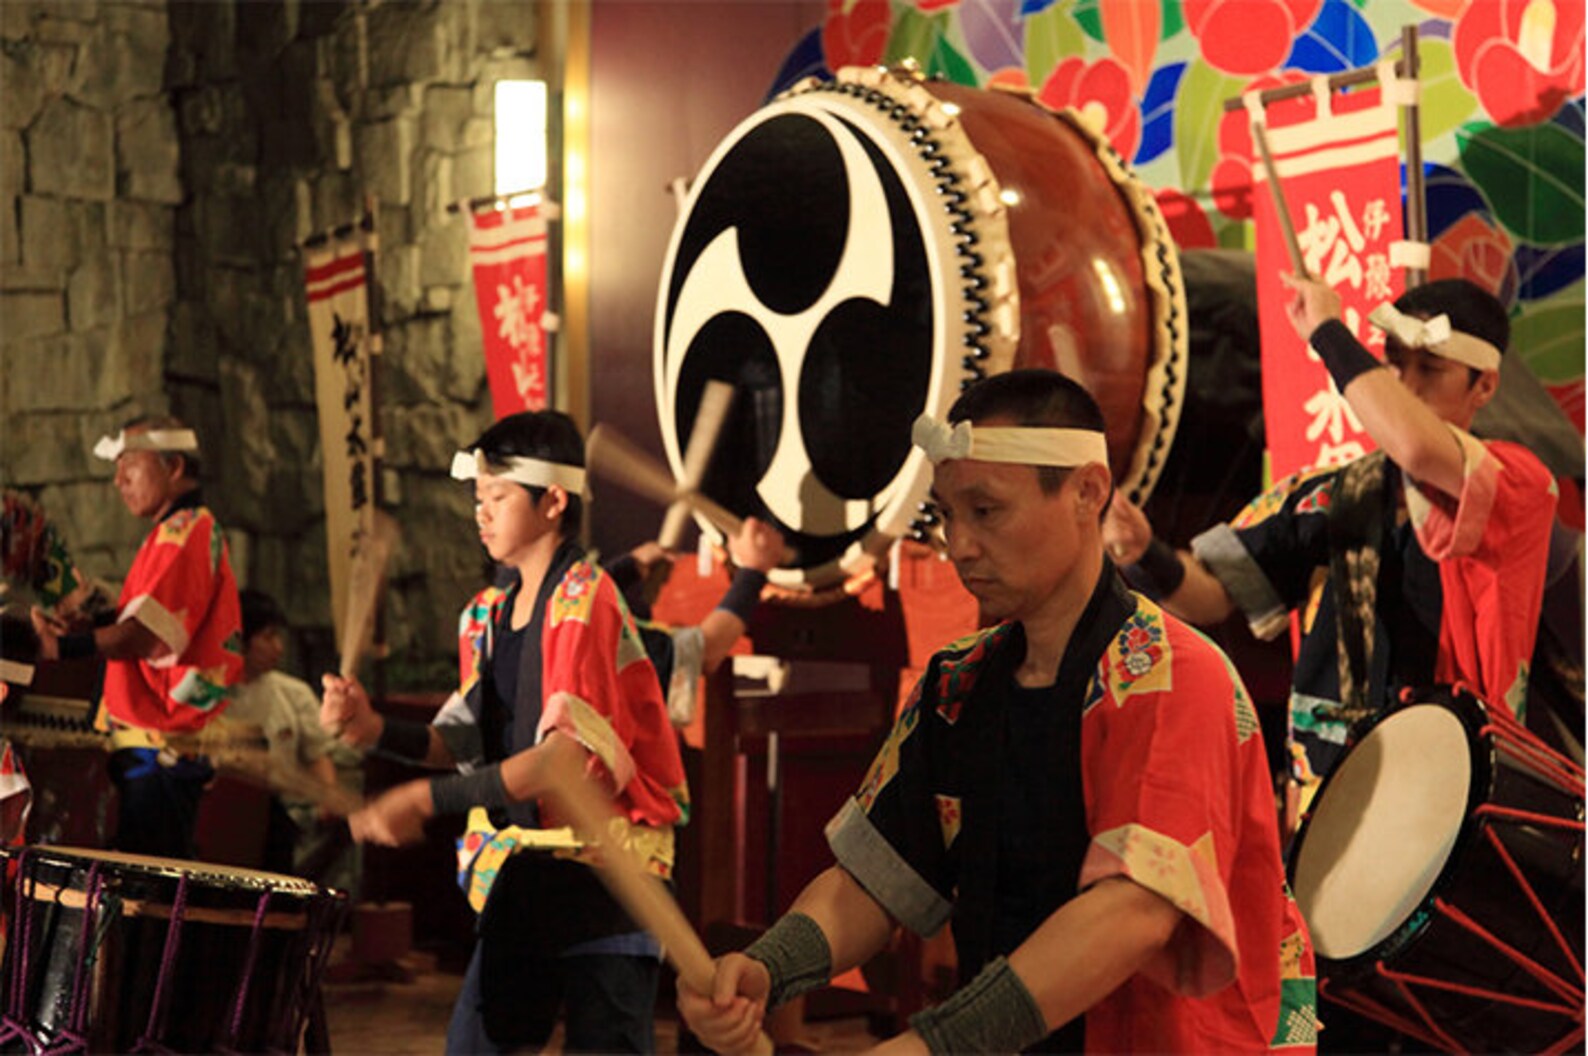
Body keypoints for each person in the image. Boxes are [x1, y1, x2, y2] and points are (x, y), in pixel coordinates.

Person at [678, 370, 1317, 1055]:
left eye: (986, 511)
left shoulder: (1170, 676)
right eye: (948, 515)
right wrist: (770, 968)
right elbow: (878, 875)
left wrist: (933, 1046)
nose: (960, 544)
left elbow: (1132, 912)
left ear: (1086, 493)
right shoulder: (959, 684)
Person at [319, 410, 690, 1055]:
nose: (480, 513)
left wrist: (421, 801)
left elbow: (558, 762)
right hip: (526, 869)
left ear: (553, 501)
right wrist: (373, 728)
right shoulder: (484, 616)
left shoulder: (586, 597)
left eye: (496, 497)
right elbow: (463, 741)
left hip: (606, 871)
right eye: (478, 498)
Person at [1104, 277, 1559, 793]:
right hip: (1332, 793)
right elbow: (1209, 596)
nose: (1406, 385)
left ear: (1484, 386)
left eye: (1430, 369)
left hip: (1454, 786)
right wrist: (1142, 550)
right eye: (1394, 364)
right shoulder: (1326, 495)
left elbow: (1415, 448)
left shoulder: (1517, 484)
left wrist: (1326, 330)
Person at [30, 416, 243, 860]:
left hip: (161, 748)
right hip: (150, 745)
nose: (118, 480)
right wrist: (90, 623)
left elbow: (148, 636)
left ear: (174, 467)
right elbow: (141, 623)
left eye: (130, 464)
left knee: (149, 889)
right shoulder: (173, 532)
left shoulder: (187, 532)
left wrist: (63, 648)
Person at [226, 588, 362, 891]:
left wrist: (328, 796)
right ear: (241, 641)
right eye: (268, 637)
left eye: (279, 637)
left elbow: (316, 754)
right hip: (231, 814)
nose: (279, 647)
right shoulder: (214, 694)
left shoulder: (293, 693)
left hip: (288, 814)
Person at [604, 517, 785, 728]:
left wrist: (628, 566)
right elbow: (705, 652)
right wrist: (754, 570)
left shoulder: (564, 597)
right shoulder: (592, 641)